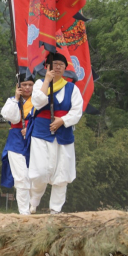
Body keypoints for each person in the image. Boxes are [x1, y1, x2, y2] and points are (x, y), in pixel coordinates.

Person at [28, 54, 83, 214]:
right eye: (54, 64)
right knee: (40, 172)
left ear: (65, 68)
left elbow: (77, 111)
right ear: (47, 67)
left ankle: (55, 209)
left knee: (62, 173)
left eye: (61, 64)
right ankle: (34, 201)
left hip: (63, 134)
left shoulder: (72, 88)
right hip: (41, 133)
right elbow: (37, 102)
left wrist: (63, 120)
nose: (57, 67)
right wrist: (47, 81)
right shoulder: (39, 84)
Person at [0, 73, 35, 215]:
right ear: (18, 86)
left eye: (30, 85)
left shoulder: (39, 101)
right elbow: (10, 116)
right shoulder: (12, 101)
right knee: (21, 177)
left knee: (35, 176)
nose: (27, 87)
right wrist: (16, 98)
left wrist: (31, 129)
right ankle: (24, 211)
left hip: (35, 140)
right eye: (24, 84)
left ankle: (34, 205)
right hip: (16, 140)